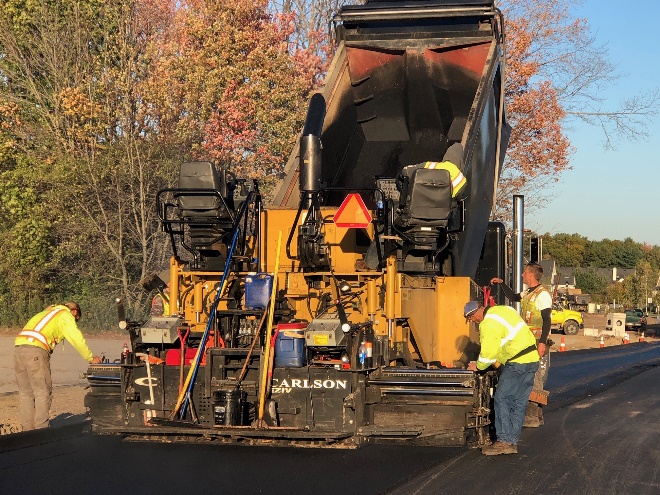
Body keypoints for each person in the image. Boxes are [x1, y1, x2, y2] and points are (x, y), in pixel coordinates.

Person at [356, 143, 467, 271]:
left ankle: (370, 263)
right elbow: (454, 203)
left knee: (386, 224)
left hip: (412, 217)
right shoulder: (461, 180)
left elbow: (405, 172)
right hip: (439, 222)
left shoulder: (431, 166)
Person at [464, 301, 540, 455]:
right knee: (519, 401)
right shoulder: (503, 309)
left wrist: (478, 366)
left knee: (502, 399)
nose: (473, 321)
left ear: (477, 312)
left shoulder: (487, 323)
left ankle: (504, 441)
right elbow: (507, 339)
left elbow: (488, 353)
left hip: (517, 363)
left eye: (471, 317)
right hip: (532, 360)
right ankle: (511, 441)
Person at [14, 302, 102, 431]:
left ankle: (27, 430)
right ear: (75, 312)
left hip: (18, 349)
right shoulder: (65, 315)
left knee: (26, 394)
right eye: (76, 320)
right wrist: (90, 357)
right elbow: (76, 338)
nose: (75, 322)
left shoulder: (48, 312)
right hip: (36, 351)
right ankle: (41, 430)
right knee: (42, 393)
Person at [490, 262, 552, 427]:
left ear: (531, 275)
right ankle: (536, 415)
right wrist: (502, 283)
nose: (522, 275)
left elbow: (547, 320)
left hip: (537, 341)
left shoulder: (542, 295)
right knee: (530, 375)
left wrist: (543, 343)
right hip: (528, 341)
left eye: (524, 272)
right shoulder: (529, 292)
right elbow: (513, 297)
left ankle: (532, 416)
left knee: (533, 376)